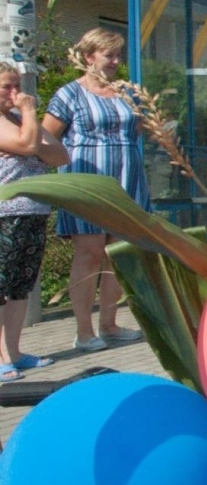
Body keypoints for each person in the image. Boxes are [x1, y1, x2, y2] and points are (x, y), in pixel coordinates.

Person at [43, 28, 149, 352]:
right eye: (109, 55)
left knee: (116, 255)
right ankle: (84, 331)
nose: (116, 62)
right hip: (87, 183)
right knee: (89, 254)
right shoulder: (69, 95)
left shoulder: (126, 92)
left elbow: (140, 129)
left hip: (126, 181)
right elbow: (47, 137)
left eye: (119, 56)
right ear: (89, 57)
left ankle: (110, 324)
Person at [0, 66, 68, 379]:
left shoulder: (19, 121)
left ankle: (13, 351)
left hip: (33, 213)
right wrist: (29, 112)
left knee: (19, 288)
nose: (15, 93)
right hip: (6, 213)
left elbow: (60, 156)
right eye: (6, 87)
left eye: (17, 86)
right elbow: (28, 147)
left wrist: (28, 121)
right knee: (2, 286)